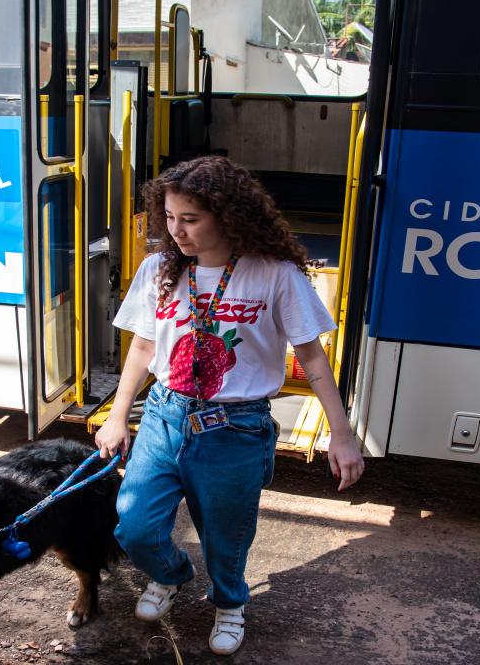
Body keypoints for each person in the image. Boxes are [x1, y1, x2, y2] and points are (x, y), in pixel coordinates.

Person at [96, 156, 365, 656]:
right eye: (170, 217)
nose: (175, 231)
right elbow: (141, 346)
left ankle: (228, 603)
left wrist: (342, 434)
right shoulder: (159, 268)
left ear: (227, 215)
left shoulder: (275, 275)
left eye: (190, 219)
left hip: (235, 428)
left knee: (225, 536)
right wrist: (117, 416)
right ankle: (171, 575)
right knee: (133, 524)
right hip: (164, 414)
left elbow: (313, 358)